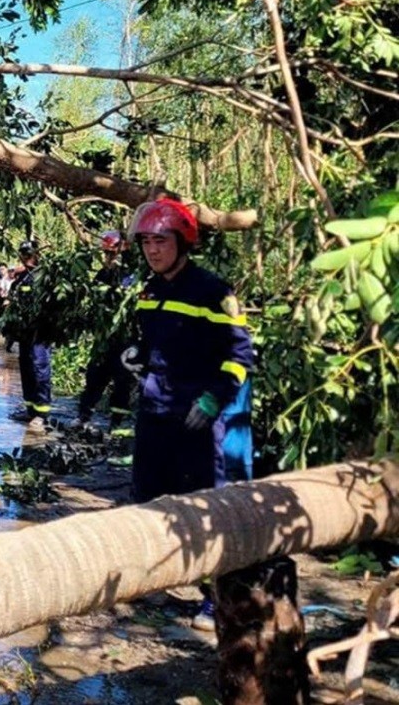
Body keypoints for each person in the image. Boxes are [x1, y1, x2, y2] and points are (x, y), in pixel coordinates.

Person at [124, 198, 254, 631]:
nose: (152, 251)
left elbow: (240, 357)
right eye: (145, 242)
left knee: (204, 504)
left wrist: (215, 398)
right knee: (148, 499)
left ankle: (214, 598)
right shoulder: (149, 291)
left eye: (160, 241)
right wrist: (135, 356)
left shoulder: (216, 293)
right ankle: (155, 581)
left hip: (197, 417)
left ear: (182, 242)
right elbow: (151, 346)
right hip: (155, 412)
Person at [74, 230, 135, 430]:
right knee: (94, 376)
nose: (108, 258)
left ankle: (116, 424)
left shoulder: (132, 276)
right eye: (106, 254)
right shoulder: (104, 274)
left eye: (111, 254)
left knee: (123, 381)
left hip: (127, 340)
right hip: (104, 339)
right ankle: (84, 416)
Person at [6, 241, 52, 427]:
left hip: (40, 332)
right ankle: (30, 409)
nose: (25, 258)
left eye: (29, 254)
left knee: (39, 367)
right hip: (24, 332)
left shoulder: (45, 277)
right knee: (26, 367)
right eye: (23, 254)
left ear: (37, 255)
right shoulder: (22, 278)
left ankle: (42, 413)